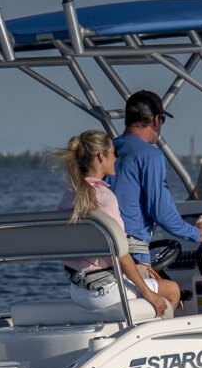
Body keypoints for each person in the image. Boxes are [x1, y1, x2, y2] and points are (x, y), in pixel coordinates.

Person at [54, 130, 179, 317]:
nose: (116, 158)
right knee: (172, 290)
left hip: (78, 291)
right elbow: (121, 254)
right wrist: (148, 293)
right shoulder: (104, 197)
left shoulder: (69, 195)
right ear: (101, 156)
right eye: (114, 153)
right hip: (105, 292)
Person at [110, 90, 202, 265]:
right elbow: (161, 212)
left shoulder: (104, 152)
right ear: (155, 119)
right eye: (163, 120)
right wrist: (197, 233)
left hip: (99, 251)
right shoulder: (151, 156)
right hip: (130, 255)